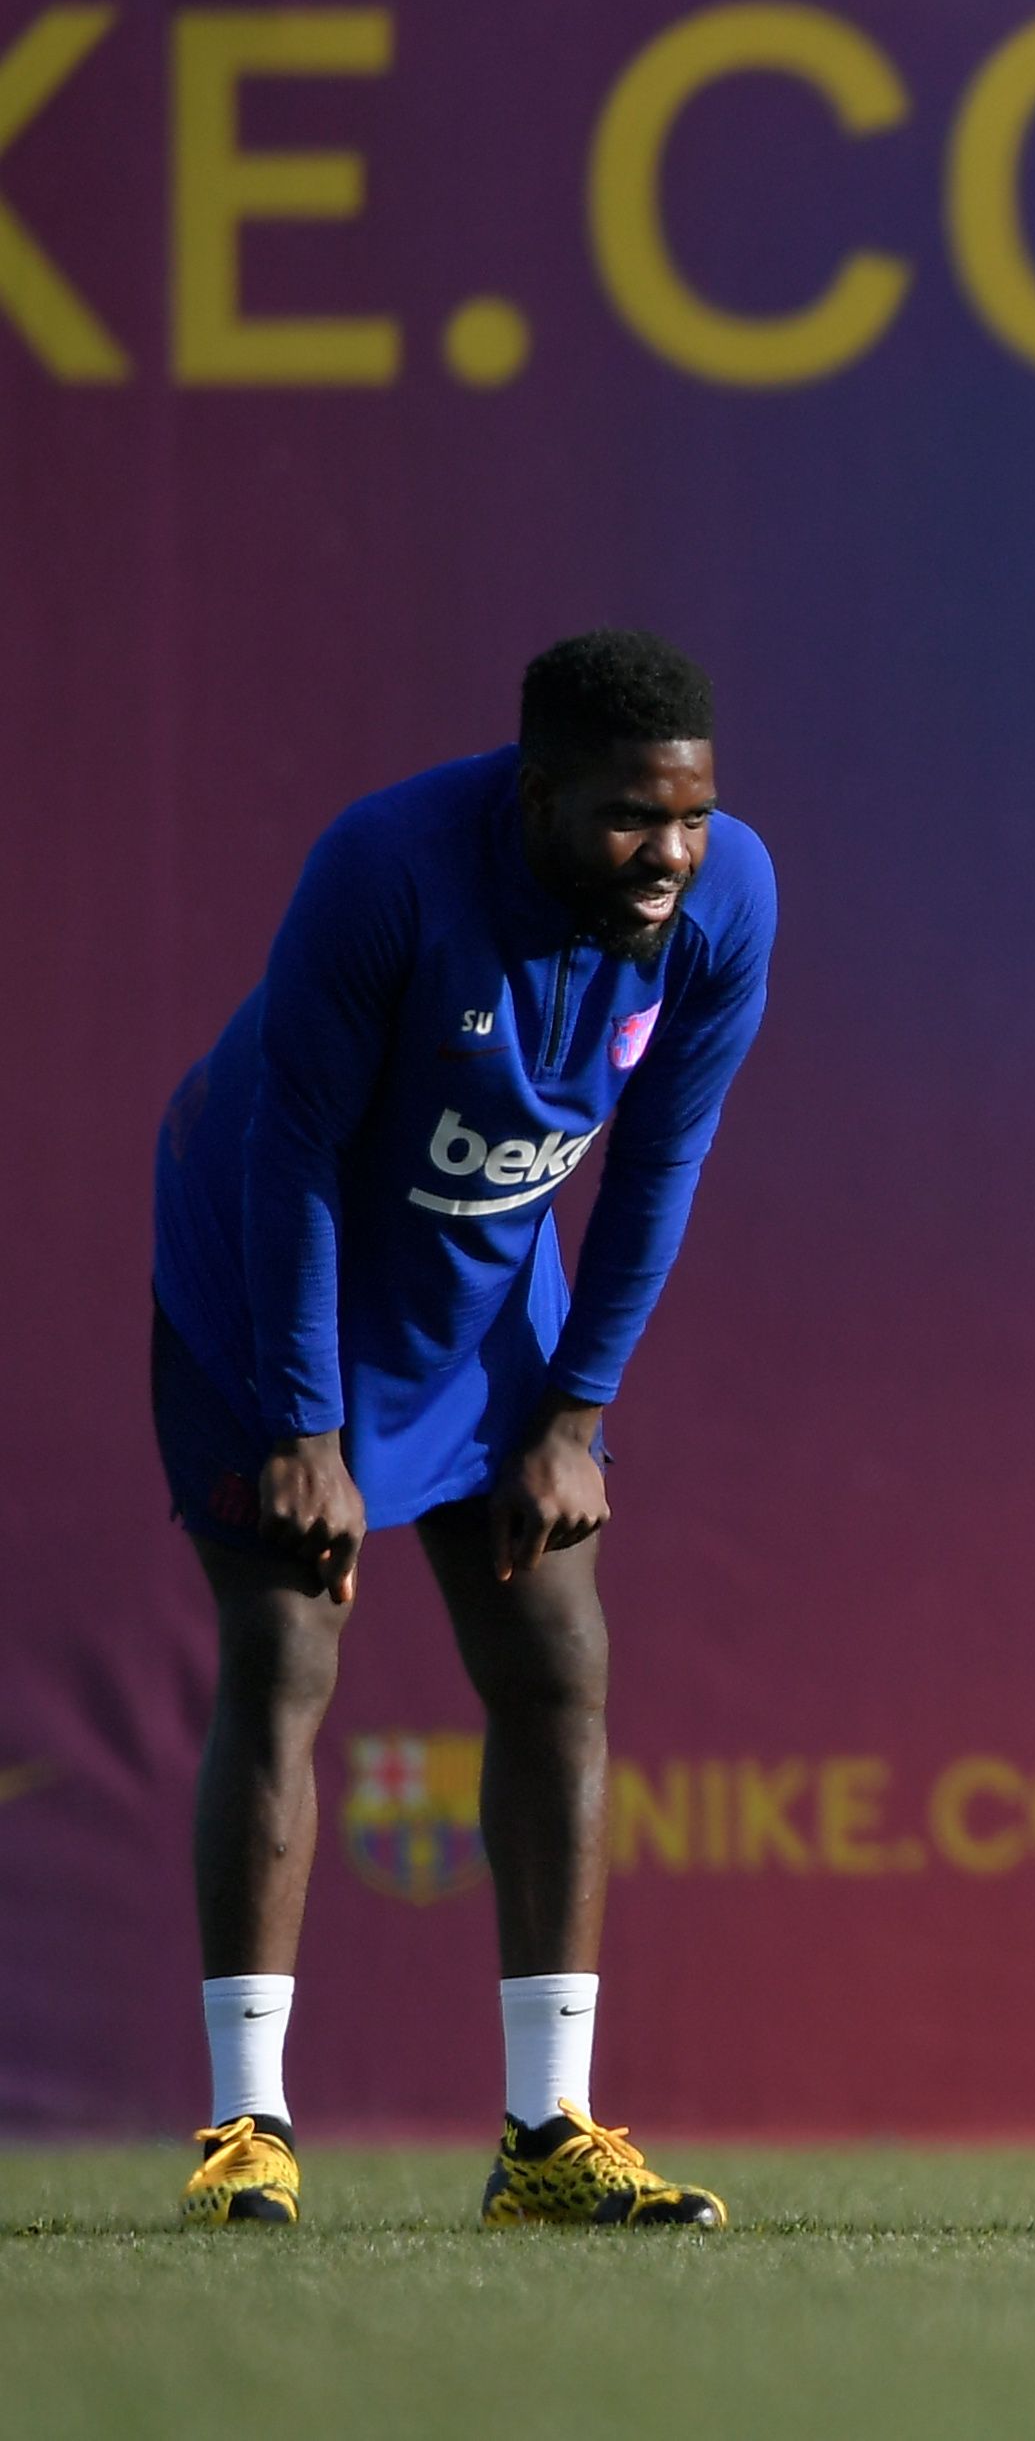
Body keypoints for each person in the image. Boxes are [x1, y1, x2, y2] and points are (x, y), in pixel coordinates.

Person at [160, 630, 774, 2230]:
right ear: (539, 791)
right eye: (636, 817)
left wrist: (577, 1408)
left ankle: (546, 2132)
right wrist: (304, 1424)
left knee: (557, 1659)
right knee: (289, 1655)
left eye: (696, 814)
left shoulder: (722, 905)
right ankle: (248, 2128)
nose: (673, 854)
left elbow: (659, 1163)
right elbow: (288, 1147)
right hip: (270, 1272)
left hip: (485, 1291)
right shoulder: (386, 871)